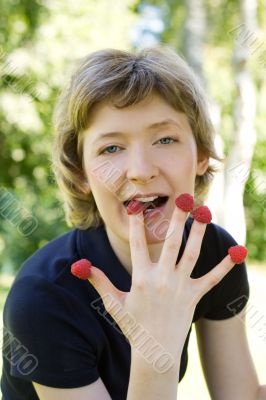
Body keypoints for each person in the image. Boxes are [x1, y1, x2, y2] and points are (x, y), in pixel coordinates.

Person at [1, 45, 265, 400]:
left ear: (201, 155)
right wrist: (155, 344)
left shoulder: (215, 255)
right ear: (80, 173)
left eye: (165, 139)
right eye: (111, 148)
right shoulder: (44, 297)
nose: (141, 171)